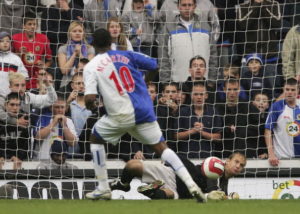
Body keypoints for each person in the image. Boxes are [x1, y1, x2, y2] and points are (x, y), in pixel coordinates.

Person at [83, 28, 206, 201]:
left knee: (95, 139)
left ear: (92, 44)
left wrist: (92, 105)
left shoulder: (91, 66)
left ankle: (103, 187)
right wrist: (145, 81)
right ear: (111, 41)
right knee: (163, 148)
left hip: (120, 114)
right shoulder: (127, 55)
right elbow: (155, 65)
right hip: (143, 110)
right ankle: (191, 184)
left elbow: (89, 98)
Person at [110, 152, 246, 200]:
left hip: (184, 191)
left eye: (241, 165)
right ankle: (123, 185)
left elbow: (218, 196)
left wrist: (227, 197)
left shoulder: (224, 180)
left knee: (167, 194)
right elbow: (213, 192)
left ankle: (153, 191)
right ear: (227, 160)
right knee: (132, 165)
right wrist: (230, 197)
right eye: (236, 162)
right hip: (180, 175)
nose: (238, 166)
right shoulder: (216, 167)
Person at [158, 0, 218, 82]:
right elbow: (163, 58)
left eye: (189, 5)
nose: (187, 8)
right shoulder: (168, 28)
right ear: (178, 7)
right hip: (178, 84)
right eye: (184, 5)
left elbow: (213, 56)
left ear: (195, 6)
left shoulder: (205, 26)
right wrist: (166, 82)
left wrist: (211, 81)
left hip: (203, 84)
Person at [173, 82, 222, 158]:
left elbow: (218, 137)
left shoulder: (213, 111)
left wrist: (201, 132)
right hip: (185, 157)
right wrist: (193, 131)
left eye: (201, 94)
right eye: (196, 94)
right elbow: (176, 136)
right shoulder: (182, 111)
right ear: (191, 96)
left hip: (207, 158)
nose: (199, 97)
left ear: (206, 96)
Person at [265, 78, 300, 166]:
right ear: (283, 90)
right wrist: (271, 154)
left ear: (298, 91)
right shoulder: (276, 106)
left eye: (293, 90)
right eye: (287, 89)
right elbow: (268, 130)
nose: (289, 92)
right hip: (282, 158)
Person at [12, 13, 52, 89]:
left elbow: (49, 60)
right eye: (29, 24)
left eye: (34, 24)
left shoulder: (43, 39)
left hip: (37, 77)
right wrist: (18, 53)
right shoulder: (15, 38)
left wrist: (44, 67)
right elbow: (9, 57)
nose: (32, 27)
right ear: (23, 26)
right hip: (19, 76)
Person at [34, 95, 78, 160]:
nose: (60, 110)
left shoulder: (69, 121)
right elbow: (38, 137)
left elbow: (72, 143)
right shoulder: (43, 118)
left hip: (61, 160)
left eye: (62, 107)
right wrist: (54, 123)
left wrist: (64, 125)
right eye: (57, 107)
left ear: (65, 108)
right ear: (52, 108)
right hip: (44, 159)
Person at [215, 78, 248, 158]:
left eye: (235, 89)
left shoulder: (247, 106)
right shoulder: (218, 107)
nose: (232, 93)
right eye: (229, 89)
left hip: (243, 150)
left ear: (239, 89)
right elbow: (216, 129)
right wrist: (228, 128)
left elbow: (256, 128)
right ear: (224, 90)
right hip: (223, 151)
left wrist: (240, 129)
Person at [58, 21, 95, 88]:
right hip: (67, 81)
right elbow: (64, 71)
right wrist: (74, 53)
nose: (77, 33)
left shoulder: (90, 49)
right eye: (74, 31)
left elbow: (89, 70)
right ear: (70, 34)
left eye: (80, 31)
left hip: (85, 82)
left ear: (83, 34)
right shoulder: (62, 48)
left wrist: (80, 53)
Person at [0, 92, 31, 170]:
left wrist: (18, 156)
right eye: (12, 104)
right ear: (5, 105)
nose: (15, 108)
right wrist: (1, 156)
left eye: (17, 105)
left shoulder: (24, 119)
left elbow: (26, 145)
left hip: (19, 162)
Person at [66, 72, 92, 156]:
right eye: (78, 83)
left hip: (89, 148)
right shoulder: (69, 104)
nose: (81, 86)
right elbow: (60, 114)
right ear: (72, 86)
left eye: (84, 83)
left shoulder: (93, 106)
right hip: (72, 148)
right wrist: (68, 101)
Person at [0, 31, 28, 97]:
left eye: (7, 41)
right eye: (2, 41)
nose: (5, 43)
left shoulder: (16, 59)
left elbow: (25, 76)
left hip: (11, 96)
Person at [246, 93, 269, 158]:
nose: (261, 103)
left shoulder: (270, 119)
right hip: (249, 153)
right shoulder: (247, 118)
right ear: (253, 103)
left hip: (264, 154)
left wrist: (266, 153)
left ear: (267, 105)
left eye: (264, 101)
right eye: (258, 100)